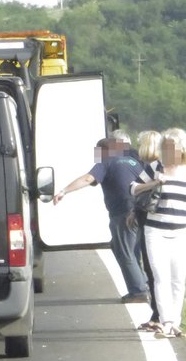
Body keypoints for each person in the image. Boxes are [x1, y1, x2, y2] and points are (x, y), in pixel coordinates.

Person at [52, 130, 149, 303]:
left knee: (125, 252)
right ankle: (143, 283)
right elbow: (147, 182)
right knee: (130, 250)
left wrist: (64, 190)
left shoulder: (107, 162)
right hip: (140, 211)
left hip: (122, 213)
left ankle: (138, 291)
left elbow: (88, 179)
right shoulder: (134, 162)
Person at [130, 127, 186, 339]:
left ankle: (176, 323)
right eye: (165, 147)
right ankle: (166, 322)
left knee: (178, 279)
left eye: (172, 148)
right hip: (155, 230)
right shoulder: (155, 166)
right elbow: (133, 188)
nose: (168, 152)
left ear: (182, 149)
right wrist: (156, 182)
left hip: (181, 231)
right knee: (160, 277)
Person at [131, 130, 163, 332]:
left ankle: (159, 314)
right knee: (153, 268)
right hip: (148, 218)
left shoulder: (155, 166)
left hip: (152, 220)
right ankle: (158, 313)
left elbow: (135, 189)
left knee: (153, 267)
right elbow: (134, 189)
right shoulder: (153, 167)